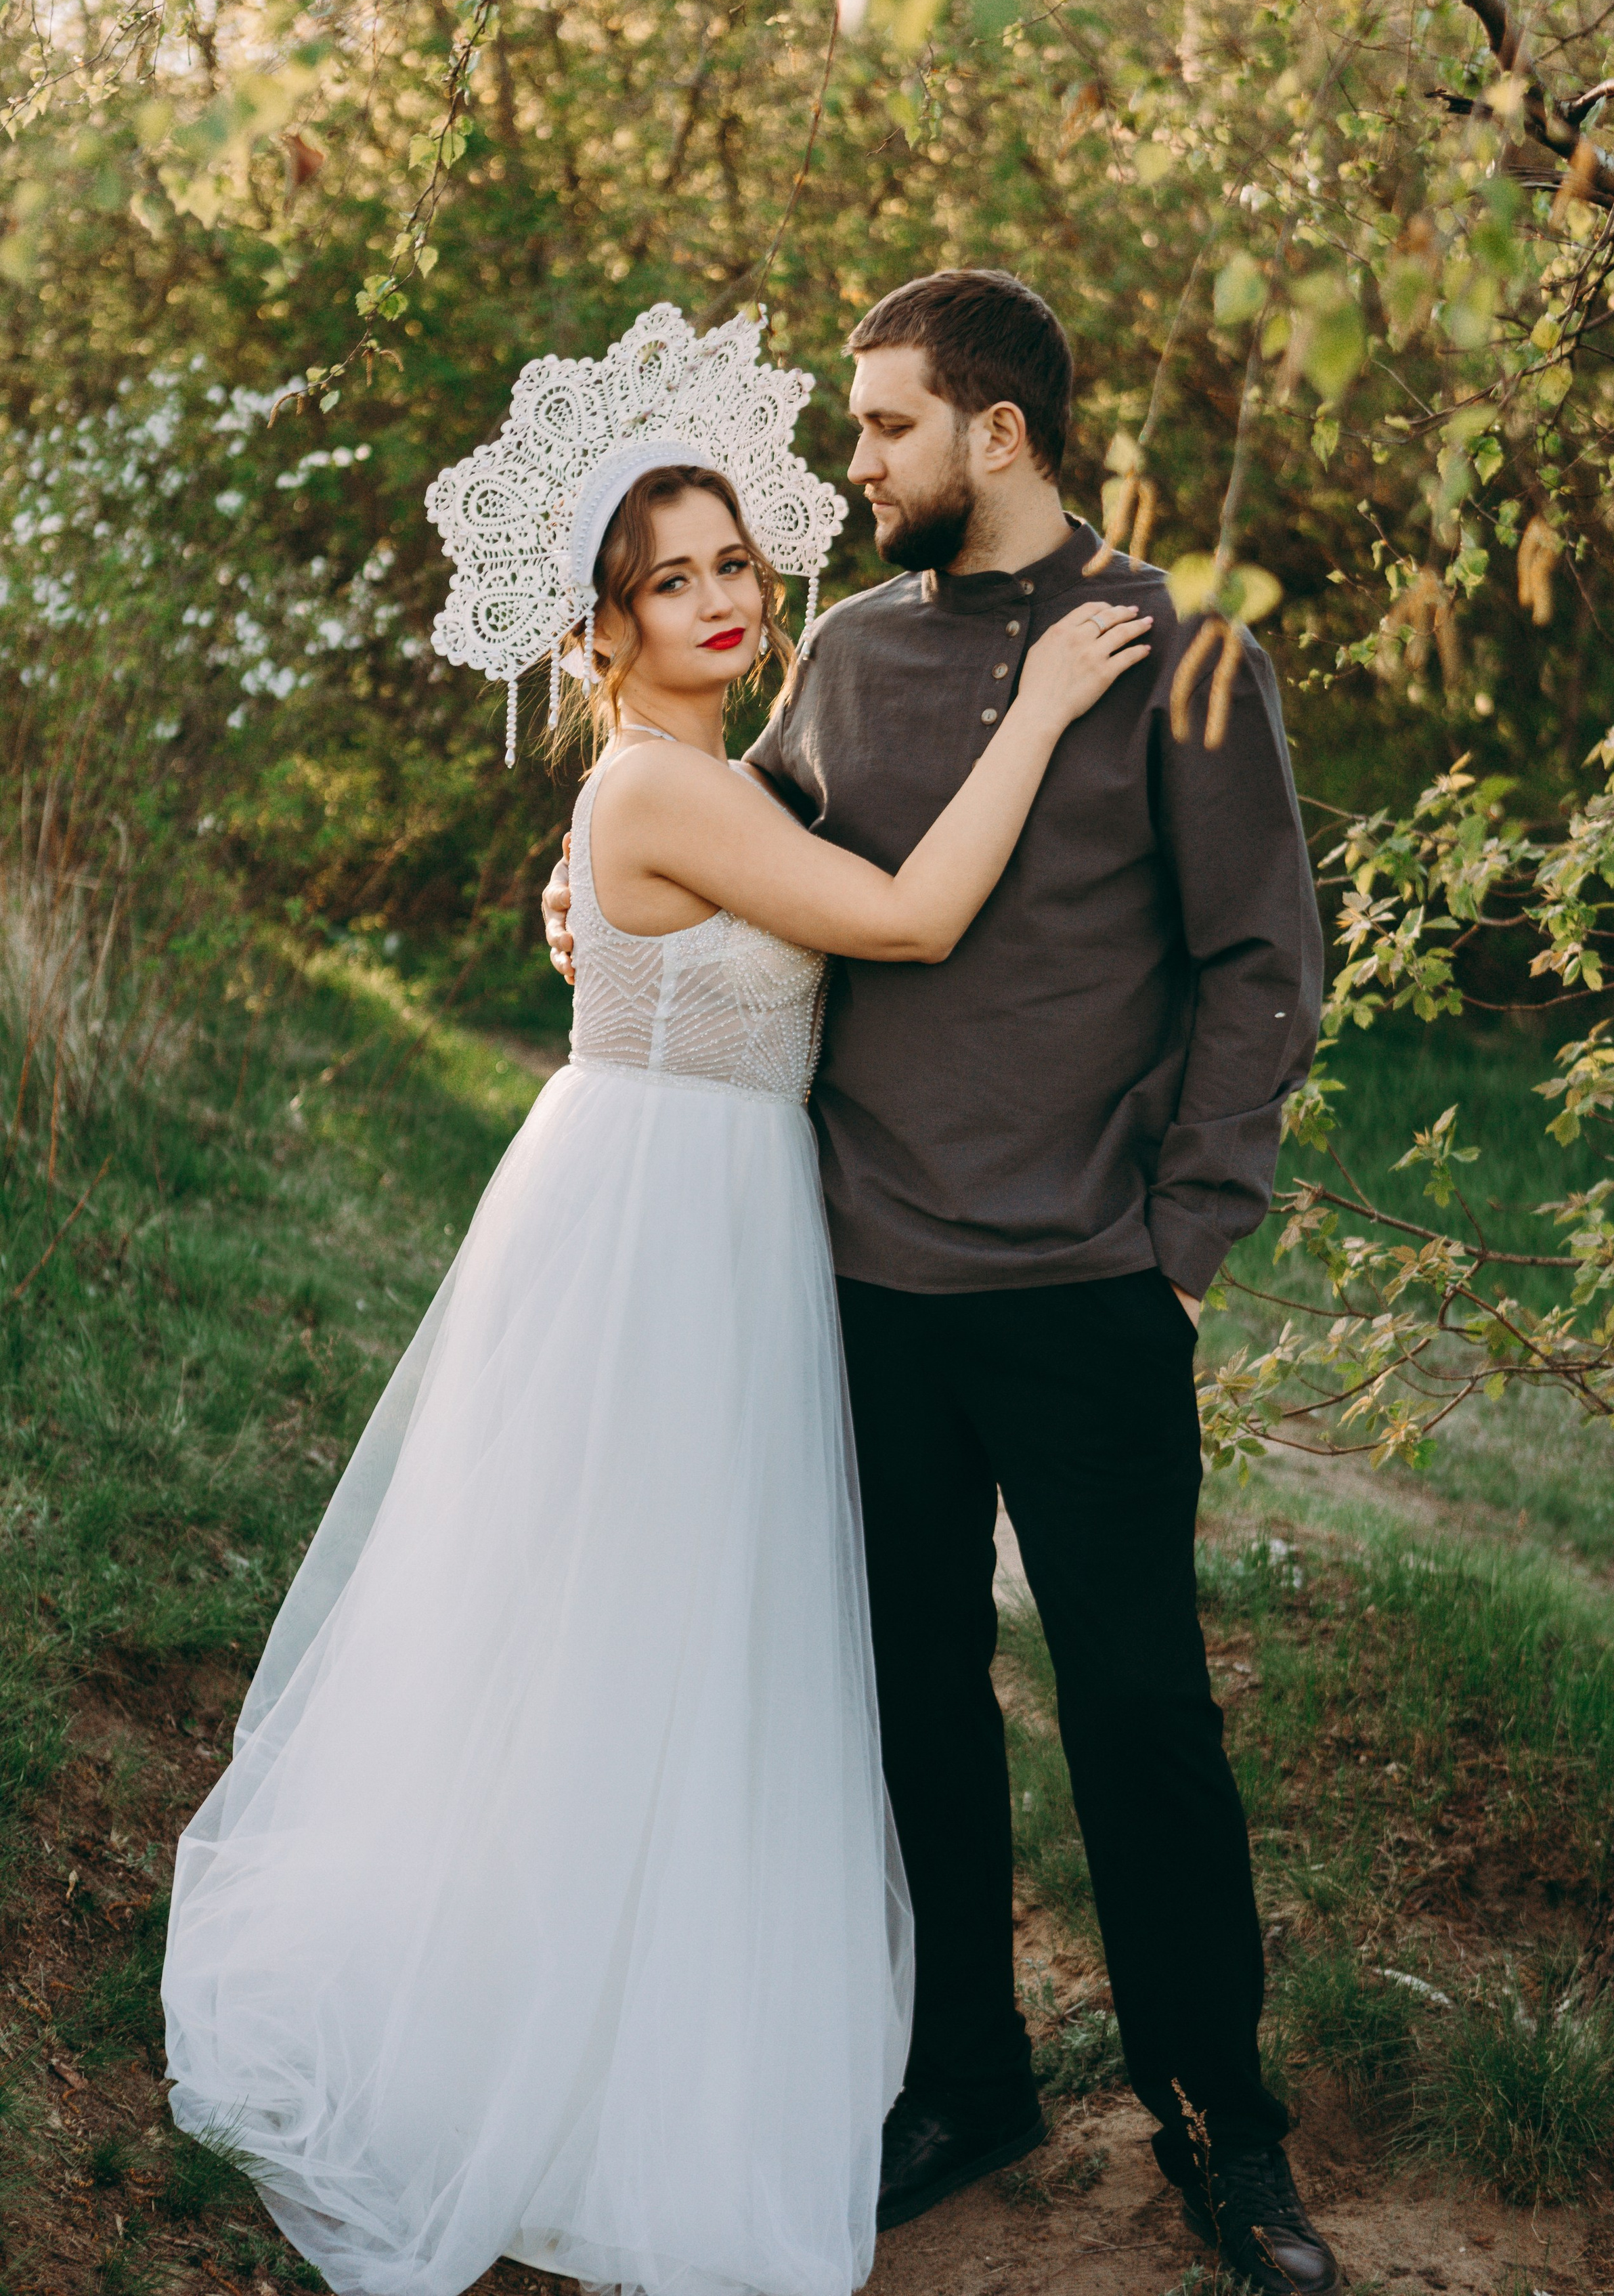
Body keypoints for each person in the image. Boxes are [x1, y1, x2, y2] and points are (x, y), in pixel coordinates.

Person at [160, 445, 1152, 2296]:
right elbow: (915, 918)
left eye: (735, 564)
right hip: (658, 1230)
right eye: (672, 580)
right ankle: (575, 2040)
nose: (724, 598)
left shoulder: (707, 777)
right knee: (631, 1623)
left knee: (699, 1629)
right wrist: (1039, 709)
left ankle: (664, 1988)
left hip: (718, 1208)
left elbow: (782, 898)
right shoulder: (650, 787)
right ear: (603, 630)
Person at [544, 269, 1334, 2296]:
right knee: (907, 1706)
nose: (853, 464)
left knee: (1144, 1714)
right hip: (857, 1282)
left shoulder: (1185, 653)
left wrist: (1184, 1248)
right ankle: (966, 2080)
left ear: (994, 432)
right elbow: (756, 851)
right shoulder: (855, 659)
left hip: (1089, 1282)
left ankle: (1218, 2132)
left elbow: (1265, 969)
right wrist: (590, 888)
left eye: (882, 427)